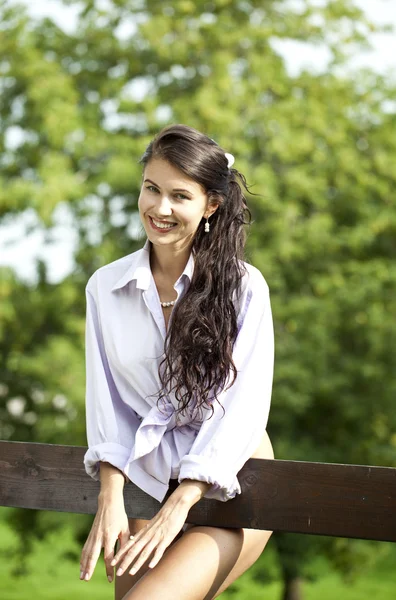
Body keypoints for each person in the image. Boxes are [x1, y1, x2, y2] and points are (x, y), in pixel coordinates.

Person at [79, 124, 275, 600]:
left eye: (179, 196)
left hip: (230, 479)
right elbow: (107, 405)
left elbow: (242, 408)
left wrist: (181, 505)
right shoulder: (105, 287)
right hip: (146, 477)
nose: (159, 208)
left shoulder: (244, 288)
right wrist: (110, 496)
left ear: (210, 205)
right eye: (151, 188)